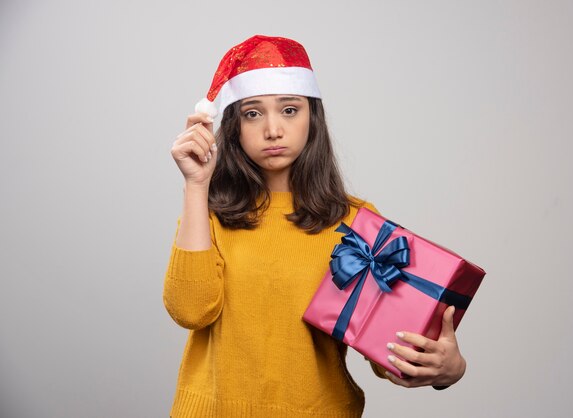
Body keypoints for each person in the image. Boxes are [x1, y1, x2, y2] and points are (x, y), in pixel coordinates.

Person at [164, 35, 466, 418]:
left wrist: (447, 369)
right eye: (252, 113)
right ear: (234, 126)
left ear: (312, 117)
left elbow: (388, 348)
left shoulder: (355, 221)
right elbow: (190, 311)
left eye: (289, 110)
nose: (273, 129)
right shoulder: (208, 214)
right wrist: (195, 185)